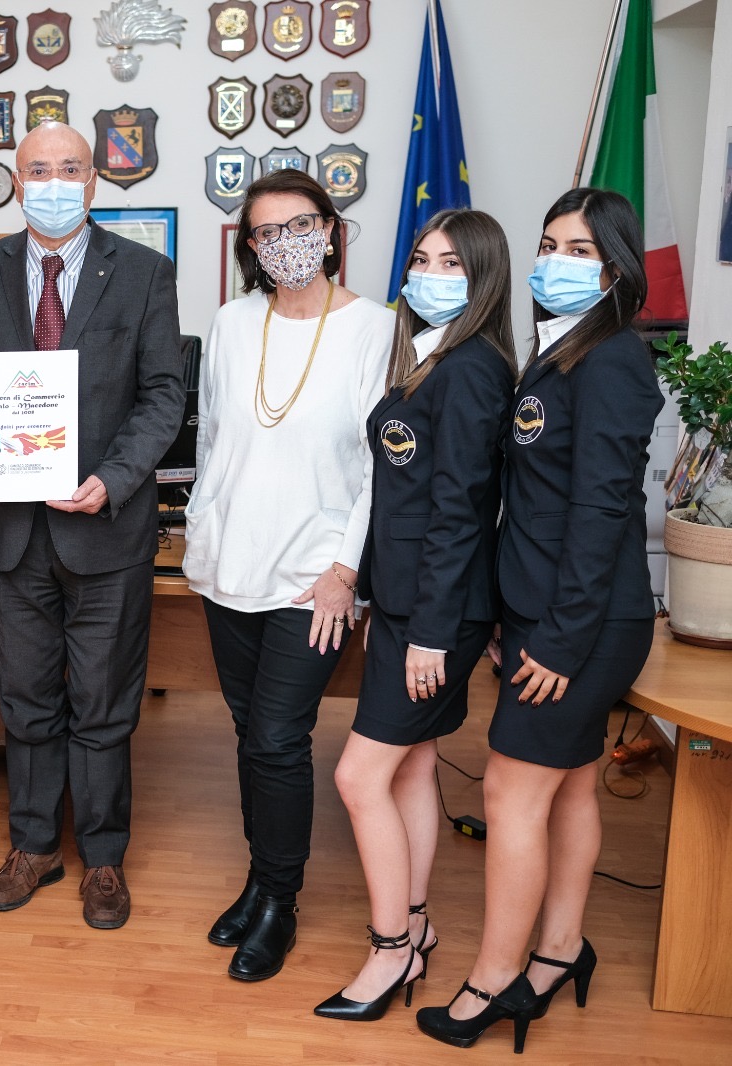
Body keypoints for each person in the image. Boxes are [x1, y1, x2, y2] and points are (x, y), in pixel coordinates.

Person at [416, 188, 661, 1053]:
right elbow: (531, 501)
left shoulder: (614, 360)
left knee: (510, 792)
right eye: (551, 245)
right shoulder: (560, 352)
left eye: (581, 250)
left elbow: (599, 513)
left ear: (617, 270)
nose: (558, 261)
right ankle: (558, 951)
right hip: (543, 610)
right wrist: (507, 608)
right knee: (573, 785)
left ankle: (494, 981)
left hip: (583, 623)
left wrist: (557, 637)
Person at [0, 122, 185, 931]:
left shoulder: (146, 273)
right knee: (25, 700)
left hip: (106, 531)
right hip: (13, 533)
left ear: (93, 181)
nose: (53, 183)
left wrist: (112, 479)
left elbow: (164, 395)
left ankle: (104, 857)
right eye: (38, 170)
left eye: (69, 169)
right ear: (16, 181)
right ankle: (33, 846)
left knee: (104, 702)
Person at [183, 167, 392, 981]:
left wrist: (347, 570)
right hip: (229, 564)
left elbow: (380, 469)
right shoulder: (233, 322)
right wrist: (201, 528)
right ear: (250, 246)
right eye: (267, 232)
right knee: (250, 734)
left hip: (314, 579)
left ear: (331, 229)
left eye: (300, 225)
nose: (286, 244)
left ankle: (280, 901)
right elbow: (211, 440)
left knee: (277, 738)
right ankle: (259, 879)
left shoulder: (375, 329)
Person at [314, 210, 516, 1022]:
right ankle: (419, 925)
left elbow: (461, 512)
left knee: (358, 776)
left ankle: (390, 950)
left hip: (438, 614)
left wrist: (430, 629)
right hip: (405, 602)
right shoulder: (430, 358)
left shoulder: (471, 370)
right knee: (413, 767)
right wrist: (374, 589)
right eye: (421, 260)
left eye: (451, 265)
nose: (429, 276)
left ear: (484, 279)